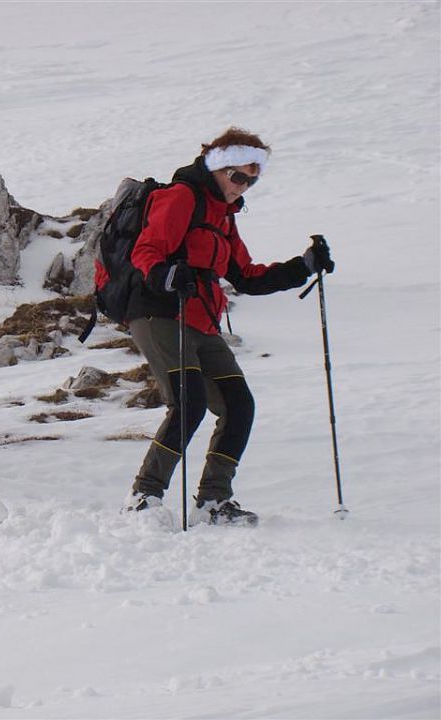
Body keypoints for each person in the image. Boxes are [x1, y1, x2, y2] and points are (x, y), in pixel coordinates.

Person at [123, 127, 334, 525]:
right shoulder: (182, 197)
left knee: (239, 406)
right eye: (238, 177)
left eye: (252, 181)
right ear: (218, 167)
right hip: (160, 314)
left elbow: (248, 277)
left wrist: (304, 266)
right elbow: (146, 250)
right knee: (189, 405)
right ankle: (144, 496)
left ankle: (213, 501)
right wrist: (168, 276)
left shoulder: (223, 216)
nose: (244, 187)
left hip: (201, 319)